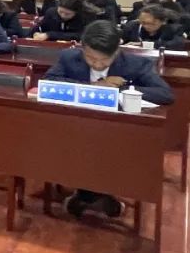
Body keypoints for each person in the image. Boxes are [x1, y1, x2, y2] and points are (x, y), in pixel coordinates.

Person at [44, 20, 174, 219]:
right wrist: (96, 86)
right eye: (90, 58)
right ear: (82, 48)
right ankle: (94, 196)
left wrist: (121, 88)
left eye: (104, 60)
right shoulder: (68, 57)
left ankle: (87, 195)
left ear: (117, 51)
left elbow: (165, 94)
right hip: (76, 128)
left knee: (105, 150)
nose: (97, 64)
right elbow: (49, 81)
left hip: (118, 132)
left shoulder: (136, 63)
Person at [122, 4, 186, 50]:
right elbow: (122, 41)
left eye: (149, 23)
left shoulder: (174, 29)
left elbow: (177, 45)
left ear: (163, 21)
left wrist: (144, 44)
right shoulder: (132, 26)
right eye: (142, 22)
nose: (145, 26)